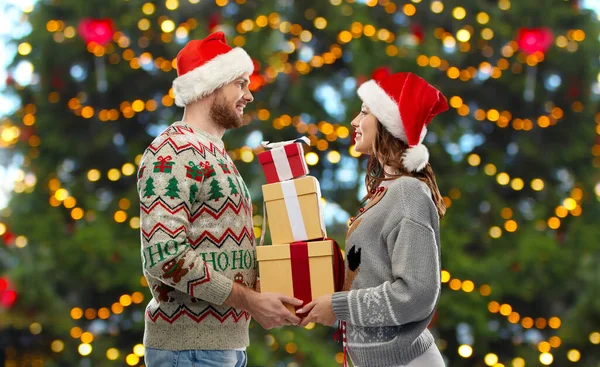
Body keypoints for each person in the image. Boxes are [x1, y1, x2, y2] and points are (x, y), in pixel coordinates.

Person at [137, 32, 302, 367]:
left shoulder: (214, 153)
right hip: (191, 351)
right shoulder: (174, 150)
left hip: (221, 349)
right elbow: (164, 256)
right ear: (210, 84)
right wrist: (250, 302)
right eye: (240, 83)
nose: (249, 95)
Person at [298, 72, 448, 367]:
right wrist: (323, 304)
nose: (355, 121)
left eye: (365, 112)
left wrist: (339, 306)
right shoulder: (386, 191)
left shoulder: (407, 192)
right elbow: (371, 279)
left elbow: (417, 294)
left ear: (388, 125)